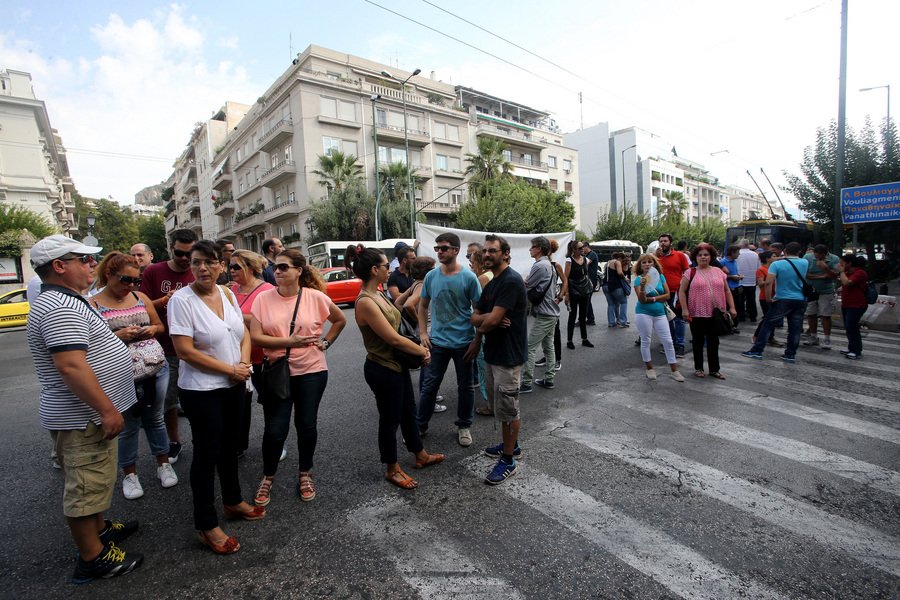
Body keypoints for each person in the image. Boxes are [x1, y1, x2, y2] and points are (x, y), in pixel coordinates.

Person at [25, 235, 143, 582]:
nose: (93, 264)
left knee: (95, 480)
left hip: (85, 414)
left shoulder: (66, 300)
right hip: (83, 416)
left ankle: (101, 529)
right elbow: (71, 366)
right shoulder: (60, 306)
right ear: (59, 266)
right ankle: (93, 558)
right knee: (84, 487)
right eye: (84, 259)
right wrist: (107, 410)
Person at [168, 240, 263, 555]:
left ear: (222, 266)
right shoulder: (181, 301)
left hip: (235, 383)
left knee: (230, 446)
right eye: (196, 262)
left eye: (209, 262)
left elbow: (243, 333)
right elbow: (184, 351)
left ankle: (233, 501)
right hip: (201, 390)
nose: (202, 268)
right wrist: (229, 370)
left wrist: (244, 363)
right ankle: (206, 524)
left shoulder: (227, 293)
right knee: (207, 454)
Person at [249, 250, 346, 506]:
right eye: (276, 268)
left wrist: (326, 342)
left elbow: (339, 320)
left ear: (299, 270)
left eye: (284, 267)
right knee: (274, 430)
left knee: (306, 425)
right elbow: (256, 337)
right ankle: (268, 476)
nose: (278, 272)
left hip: (311, 371)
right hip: (276, 372)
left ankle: (305, 473)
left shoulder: (315, 297)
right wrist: (288, 341)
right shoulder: (263, 299)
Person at [90, 252, 178, 499]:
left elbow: (159, 325)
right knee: (128, 425)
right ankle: (130, 474)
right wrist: (119, 336)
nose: (130, 286)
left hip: (154, 369)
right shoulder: (93, 304)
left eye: (135, 281)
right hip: (119, 374)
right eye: (125, 280)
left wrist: (152, 329)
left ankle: (163, 464)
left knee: (155, 418)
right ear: (109, 274)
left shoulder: (140, 297)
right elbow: (91, 342)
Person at [353, 248, 443, 490]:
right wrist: (422, 351)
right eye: (385, 265)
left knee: (408, 411)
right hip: (382, 368)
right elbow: (392, 338)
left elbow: (400, 315)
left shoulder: (380, 294)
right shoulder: (366, 302)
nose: (390, 269)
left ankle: (420, 454)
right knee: (390, 419)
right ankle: (392, 468)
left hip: (396, 365)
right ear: (374, 270)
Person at [416, 232, 481, 448]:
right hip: (438, 343)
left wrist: (477, 340)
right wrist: (423, 333)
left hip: (464, 342)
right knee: (429, 385)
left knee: (466, 387)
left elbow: (479, 310)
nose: (440, 252)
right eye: (437, 249)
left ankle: (464, 425)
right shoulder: (431, 277)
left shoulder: (469, 278)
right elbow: (422, 305)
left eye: (443, 248)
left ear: (456, 250)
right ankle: (420, 425)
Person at [472, 235, 528, 485]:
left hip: (508, 356)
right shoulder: (492, 283)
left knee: (508, 409)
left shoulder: (511, 281)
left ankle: (508, 460)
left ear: (505, 254)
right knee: (500, 406)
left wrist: (488, 319)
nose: (486, 255)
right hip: (494, 353)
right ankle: (511, 445)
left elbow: (490, 320)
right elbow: (474, 316)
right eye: (484, 251)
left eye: (492, 251)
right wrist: (487, 319)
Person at [141, 228, 198, 464]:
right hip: (164, 349)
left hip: (196, 349)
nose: (185, 259)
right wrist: (164, 301)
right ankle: (174, 442)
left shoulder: (199, 271)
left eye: (189, 254)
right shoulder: (154, 271)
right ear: (170, 248)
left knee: (198, 400)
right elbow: (140, 306)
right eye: (179, 253)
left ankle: (202, 441)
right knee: (168, 402)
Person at [228, 250, 274, 458]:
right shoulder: (231, 290)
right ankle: (238, 445)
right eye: (230, 266)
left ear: (251, 268)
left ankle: (274, 442)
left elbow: (268, 322)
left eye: (236, 266)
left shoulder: (267, 291)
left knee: (270, 402)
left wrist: (236, 315)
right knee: (240, 404)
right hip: (236, 357)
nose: (231, 270)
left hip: (262, 357)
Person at [393, 256, 447, 414]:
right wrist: (420, 321)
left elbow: (398, 303)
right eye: (433, 267)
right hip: (428, 331)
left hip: (424, 329)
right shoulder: (422, 284)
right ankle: (428, 399)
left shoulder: (415, 284)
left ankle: (430, 395)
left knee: (427, 366)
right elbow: (409, 304)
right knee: (429, 368)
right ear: (428, 270)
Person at [741, 242, 809, 363]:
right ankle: (790, 354)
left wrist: (768, 299)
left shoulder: (776, 264)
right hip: (800, 299)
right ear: (799, 252)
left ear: (785, 251)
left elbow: (768, 283)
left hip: (782, 298)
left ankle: (757, 350)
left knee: (767, 324)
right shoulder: (805, 263)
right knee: (795, 328)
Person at [679, 244, 736, 379]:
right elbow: (681, 291)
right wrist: (685, 309)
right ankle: (699, 368)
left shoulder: (718, 272)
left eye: (706, 255)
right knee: (698, 341)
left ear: (711, 257)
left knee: (713, 342)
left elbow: (727, 291)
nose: (703, 257)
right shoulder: (690, 272)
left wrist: (732, 307)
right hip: (696, 313)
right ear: (695, 258)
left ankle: (714, 369)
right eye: (700, 255)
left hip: (715, 313)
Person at [633, 254, 683, 381]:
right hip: (643, 313)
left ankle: (674, 370)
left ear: (654, 264)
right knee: (646, 340)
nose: (647, 264)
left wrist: (654, 298)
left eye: (650, 262)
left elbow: (667, 295)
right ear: (640, 265)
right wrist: (643, 286)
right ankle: (649, 368)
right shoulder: (638, 280)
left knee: (668, 341)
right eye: (644, 262)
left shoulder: (660, 277)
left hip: (660, 313)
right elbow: (642, 300)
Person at [520, 236, 559, 393]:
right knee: (548, 347)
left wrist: (524, 282)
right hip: (551, 312)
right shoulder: (549, 265)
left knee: (529, 348)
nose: (530, 249)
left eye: (532, 247)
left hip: (545, 313)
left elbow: (528, 287)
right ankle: (549, 379)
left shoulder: (540, 265)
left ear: (539, 249)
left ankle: (526, 383)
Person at [656, 233, 689, 357]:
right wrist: (655, 256)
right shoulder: (656, 257)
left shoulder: (680, 256)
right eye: (661, 241)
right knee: (667, 319)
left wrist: (685, 288)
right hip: (663, 293)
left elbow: (687, 272)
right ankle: (671, 343)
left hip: (677, 291)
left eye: (665, 241)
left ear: (670, 243)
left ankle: (680, 345)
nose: (663, 243)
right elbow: (648, 270)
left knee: (678, 319)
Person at [802, 244, 839, 349]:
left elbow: (835, 275)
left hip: (826, 290)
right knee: (811, 313)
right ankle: (813, 336)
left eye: (821, 256)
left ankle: (827, 339)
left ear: (826, 254)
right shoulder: (807, 257)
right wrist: (821, 276)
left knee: (825, 314)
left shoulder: (834, 259)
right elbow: (804, 273)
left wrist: (826, 268)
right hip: (811, 289)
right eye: (816, 255)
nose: (818, 258)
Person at [838, 254, 868, 360]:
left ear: (849, 263)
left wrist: (841, 272)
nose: (840, 265)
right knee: (848, 327)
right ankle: (851, 348)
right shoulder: (848, 273)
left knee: (852, 326)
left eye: (843, 263)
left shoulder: (859, 272)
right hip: (847, 303)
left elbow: (847, 283)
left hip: (857, 304)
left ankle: (856, 350)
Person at [564, 240, 594, 348]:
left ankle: (584, 339)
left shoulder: (585, 259)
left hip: (585, 290)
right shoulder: (569, 260)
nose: (583, 249)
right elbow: (565, 278)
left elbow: (585, 274)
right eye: (580, 248)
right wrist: (566, 294)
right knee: (572, 316)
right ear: (573, 249)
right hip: (573, 291)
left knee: (583, 316)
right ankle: (569, 340)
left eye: (583, 247)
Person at [751, 251, 783, 347]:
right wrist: (769, 280)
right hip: (765, 297)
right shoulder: (761, 269)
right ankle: (756, 336)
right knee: (767, 318)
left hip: (775, 295)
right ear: (767, 258)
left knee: (772, 318)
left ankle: (770, 337)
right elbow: (760, 283)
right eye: (773, 256)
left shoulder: (773, 268)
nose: (775, 257)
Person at [735, 238, 761, 322]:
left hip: (740, 280)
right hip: (751, 280)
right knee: (751, 299)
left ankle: (741, 316)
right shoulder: (755, 255)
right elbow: (758, 268)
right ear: (748, 245)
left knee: (741, 300)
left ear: (741, 245)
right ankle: (753, 316)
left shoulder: (738, 254)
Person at [720, 245, 744, 329]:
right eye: (738, 252)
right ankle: (728, 325)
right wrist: (732, 277)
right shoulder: (722, 262)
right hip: (728, 288)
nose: (739, 254)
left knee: (737, 306)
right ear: (732, 252)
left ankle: (734, 325)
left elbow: (735, 272)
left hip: (736, 287)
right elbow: (720, 276)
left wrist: (738, 276)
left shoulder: (734, 262)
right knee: (728, 307)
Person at [602, 251, 628, 327]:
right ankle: (623, 322)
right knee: (624, 302)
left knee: (611, 304)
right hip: (615, 286)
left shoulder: (608, 263)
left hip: (605, 285)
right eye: (622, 260)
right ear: (620, 258)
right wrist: (625, 278)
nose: (622, 262)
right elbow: (620, 273)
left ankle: (611, 322)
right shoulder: (617, 262)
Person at [582, 242, 599, 325]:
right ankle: (589, 319)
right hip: (588, 279)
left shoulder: (592, 254)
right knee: (586, 300)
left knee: (587, 299)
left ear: (586, 247)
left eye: (582, 247)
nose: (581, 249)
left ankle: (590, 319)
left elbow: (584, 263)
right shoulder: (587, 255)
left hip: (592, 280)